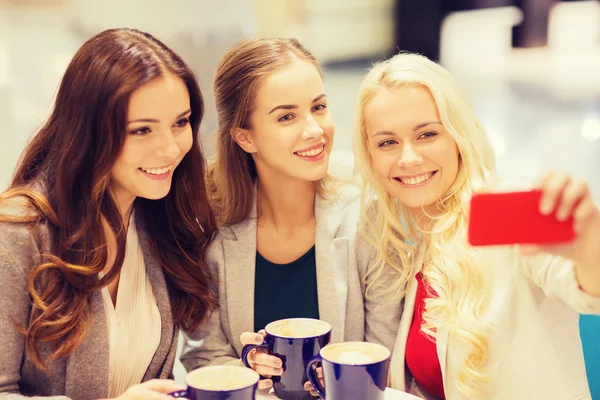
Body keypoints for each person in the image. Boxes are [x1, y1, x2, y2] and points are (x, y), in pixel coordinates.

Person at [352, 52, 600, 399]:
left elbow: (586, 289)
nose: (408, 158)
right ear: (371, 155)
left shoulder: (504, 212)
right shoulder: (403, 239)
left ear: (458, 137)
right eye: (388, 142)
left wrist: (590, 251)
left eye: (426, 134)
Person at [0, 28, 217, 400]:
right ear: (89, 133)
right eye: (142, 130)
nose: (170, 149)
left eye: (180, 123)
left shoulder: (161, 217)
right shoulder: (17, 234)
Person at [180, 38, 401, 391]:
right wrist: (246, 364)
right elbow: (204, 357)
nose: (314, 130)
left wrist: (338, 382)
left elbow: (386, 359)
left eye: (319, 107)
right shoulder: (210, 231)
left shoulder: (368, 221)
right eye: (286, 116)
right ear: (245, 137)